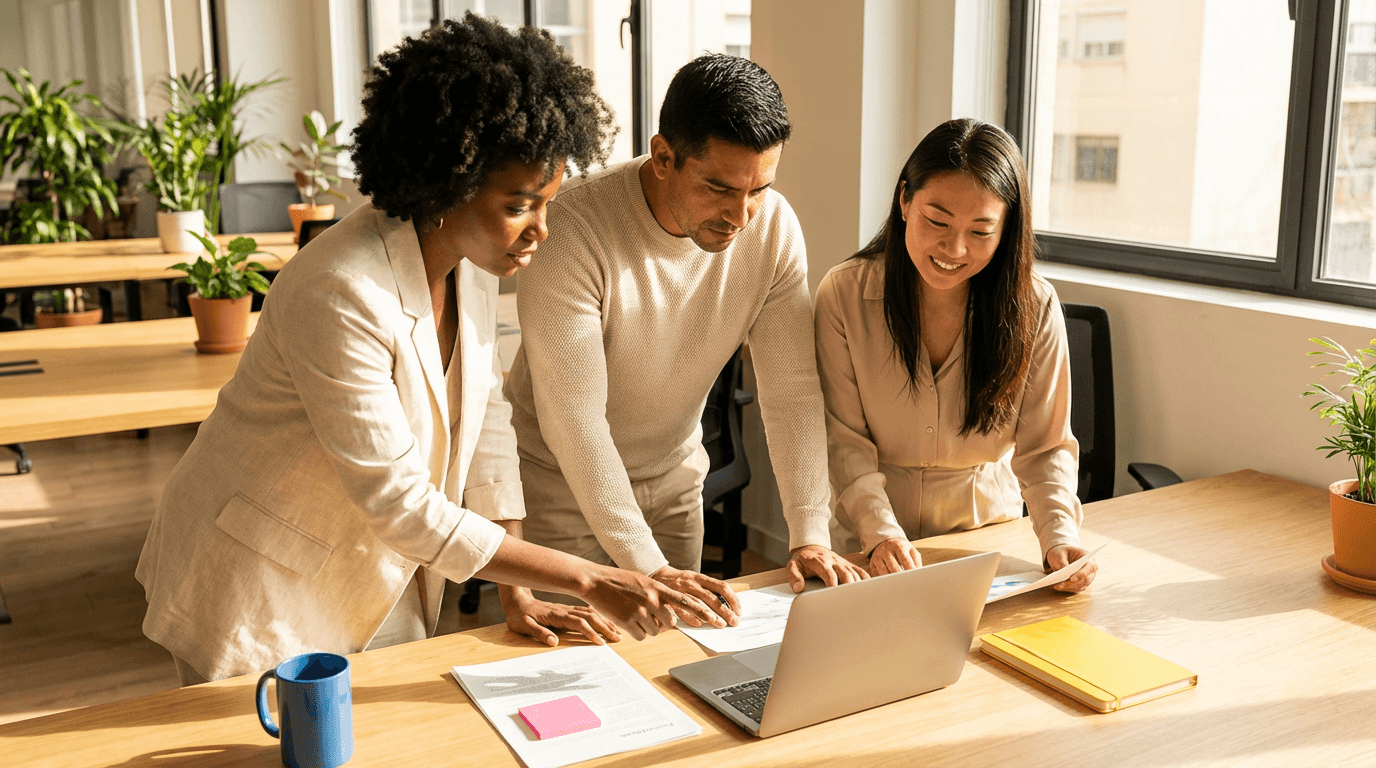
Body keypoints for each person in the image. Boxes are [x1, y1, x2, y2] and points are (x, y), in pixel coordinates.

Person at [135, 15, 720, 685]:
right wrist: (587, 576)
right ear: (447, 183)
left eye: (548, 203)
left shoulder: (466, 260)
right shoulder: (341, 290)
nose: (541, 231)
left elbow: (488, 422)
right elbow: (402, 503)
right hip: (260, 575)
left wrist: (519, 587)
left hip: (375, 567)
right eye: (521, 205)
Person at [502, 53, 868, 632]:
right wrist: (648, 567)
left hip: (675, 476)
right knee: (576, 666)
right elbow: (576, 420)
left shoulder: (771, 226)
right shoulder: (571, 226)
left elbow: (792, 391)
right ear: (664, 155)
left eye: (759, 189)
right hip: (562, 484)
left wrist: (809, 534)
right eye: (719, 188)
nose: (741, 215)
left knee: (673, 659)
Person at [813, 118, 1097, 591]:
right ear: (905, 201)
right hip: (869, 539)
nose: (955, 248)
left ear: (1007, 229)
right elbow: (843, 441)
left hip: (985, 537)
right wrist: (881, 536)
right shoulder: (844, 293)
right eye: (937, 221)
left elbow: (1046, 447)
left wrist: (1059, 538)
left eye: (981, 231)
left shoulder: (1035, 305)